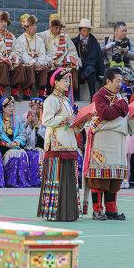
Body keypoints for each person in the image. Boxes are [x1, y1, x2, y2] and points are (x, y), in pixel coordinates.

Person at [83, 67, 134, 221]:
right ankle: (97, 210)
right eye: (117, 81)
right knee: (99, 177)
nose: (119, 84)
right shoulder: (99, 96)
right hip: (102, 140)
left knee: (113, 178)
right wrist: (122, 106)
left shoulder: (120, 98)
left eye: (121, 81)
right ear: (108, 81)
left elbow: (126, 117)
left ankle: (111, 209)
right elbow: (106, 114)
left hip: (117, 141)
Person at [37, 68, 80, 221]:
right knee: (57, 177)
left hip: (68, 142)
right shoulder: (51, 100)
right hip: (56, 144)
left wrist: (80, 121)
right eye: (65, 80)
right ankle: (55, 213)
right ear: (56, 82)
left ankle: (67, 213)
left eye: (69, 80)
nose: (68, 83)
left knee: (67, 179)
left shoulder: (65, 101)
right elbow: (46, 121)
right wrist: (65, 120)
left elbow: (70, 122)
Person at [38, 14, 81, 99]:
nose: (58, 29)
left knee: (72, 68)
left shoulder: (65, 37)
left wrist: (68, 59)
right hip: (48, 62)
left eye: (59, 27)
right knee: (44, 68)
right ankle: (43, 93)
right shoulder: (42, 36)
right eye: (55, 27)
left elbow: (72, 51)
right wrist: (48, 61)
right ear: (51, 26)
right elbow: (40, 52)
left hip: (62, 64)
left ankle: (69, 94)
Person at [15, 14, 50, 101]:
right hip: (27, 63)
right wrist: (34, 63)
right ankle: (27, 92)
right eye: (32, 26)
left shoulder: (39, 39)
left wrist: (40, 63)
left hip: (38, 63)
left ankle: (41, 93)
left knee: (44, 68)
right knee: (29, 67)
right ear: (26, 28)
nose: (35, 27)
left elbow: (42, 54)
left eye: (35, 25)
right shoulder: (20, 39)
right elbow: (23, 55)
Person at [0, 96, 30, 188]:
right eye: (9, 107)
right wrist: (7, 144)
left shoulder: (17, 118)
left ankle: (22, 181)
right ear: (3, 108)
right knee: (12, 155)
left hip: (16, 145)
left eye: (13, 106)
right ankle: (10, 181)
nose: (12, 108)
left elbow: (22, 133)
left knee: (22, 154)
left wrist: (16, 142)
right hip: (4, 146)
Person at [72, 18, 104, 101]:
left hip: (90, 67)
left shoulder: (94, 42)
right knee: (75, 72)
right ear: (80, 31)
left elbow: (98, 57)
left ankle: (93, 95)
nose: (85, 33)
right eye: (83, 31)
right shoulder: (74, 42)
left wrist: (102, 73)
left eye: (87, 31)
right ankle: (76, 96)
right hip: (78, 66)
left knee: (91, 71)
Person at [22, 97, 46, 187]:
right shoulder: (24, 117)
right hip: (27, 146)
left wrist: (38, 125)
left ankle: (38, 180)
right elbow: (21, 133)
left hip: (40, 147)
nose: (35, 111)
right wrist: (27, 123)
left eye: (37, 109)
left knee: (37, 155)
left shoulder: (44, 119)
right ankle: (28, 180)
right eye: (33, 108)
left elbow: (45, 136)